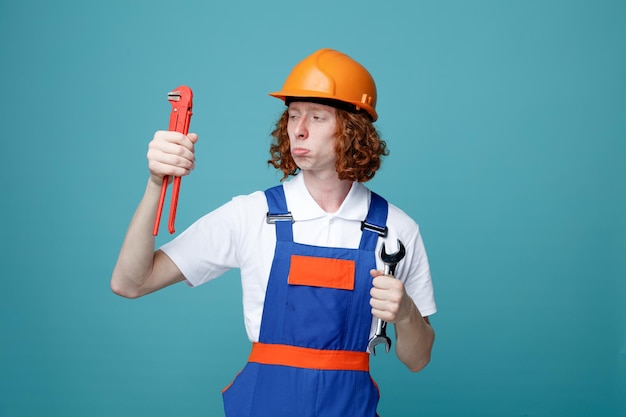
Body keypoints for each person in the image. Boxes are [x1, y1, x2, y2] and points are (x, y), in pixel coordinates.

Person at [111, 48, 436, 417]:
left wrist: (406, 313)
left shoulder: (397, 230)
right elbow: (131, 282)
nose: (298, 128)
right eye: (293, 115)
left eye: (316, 116)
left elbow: (419, 359)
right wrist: (156, 183)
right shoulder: (251, 215)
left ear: (353, 129)